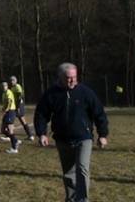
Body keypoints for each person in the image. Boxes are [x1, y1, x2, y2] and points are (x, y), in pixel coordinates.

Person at [34, 62, 109, 202]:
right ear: (60, 77)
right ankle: (71, 198)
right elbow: (41, 114)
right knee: (69, 173)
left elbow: (99, 113)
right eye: (69, 77)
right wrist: (42, 133)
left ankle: (82, 199)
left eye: (74, 77)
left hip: (83, 138)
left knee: (82, 169)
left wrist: (102, 134)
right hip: (62, 139)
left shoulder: (85, 92)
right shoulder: (51, 94)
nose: (72, 80)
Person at [9, 76, 34, 141]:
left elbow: (20, 96)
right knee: (19, 120)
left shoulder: (17, 86)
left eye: (13, 80)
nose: (11, 82)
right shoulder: (12, 88)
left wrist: (18, 107)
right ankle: (30, 135)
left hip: (19, 105)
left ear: (16, 81)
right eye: (11, 80)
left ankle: (10, 135)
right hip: (15, 105)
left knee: (15, 120)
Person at [1, 81, 20, 154]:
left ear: (7, 86)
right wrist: (3, 108)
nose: (3, 87)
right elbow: (5, 102)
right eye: (2, 86)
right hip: (7, 113)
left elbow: (9, 101)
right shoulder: (3, 94)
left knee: (10, 130)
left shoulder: (9, 92)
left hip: (11, 112)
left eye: (5, 86)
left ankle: (14, 148)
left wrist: (7, 108)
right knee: (2, 130)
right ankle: (15, 140)